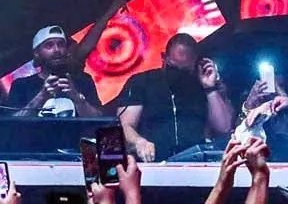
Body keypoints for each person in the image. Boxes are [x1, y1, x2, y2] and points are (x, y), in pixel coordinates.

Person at [117, 33, 234, 162]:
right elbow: (125, 126)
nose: (178, 74)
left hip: (195, 163)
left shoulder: (200, 85)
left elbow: (223, 128)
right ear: (164, 58)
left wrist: (210, 88)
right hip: (152, 162)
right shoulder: (142, 82)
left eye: (184, 70)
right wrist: (138, 142)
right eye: (173, 67)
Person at [6, 26, 102, 118]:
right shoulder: (22, 85)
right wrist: (41, 96)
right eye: (49, 45)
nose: (57, 50)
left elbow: (99, 120)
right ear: (37, 53)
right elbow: (13, 123)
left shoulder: (83, 80)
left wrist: (77, 97)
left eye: (61, 45)